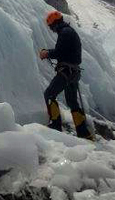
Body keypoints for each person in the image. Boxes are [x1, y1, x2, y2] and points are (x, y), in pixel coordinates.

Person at [39, 10, 94, 140]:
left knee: (49, 94)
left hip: (66, 71)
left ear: (54, 24)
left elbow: (60, 52)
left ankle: (55, 125)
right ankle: (83, 133)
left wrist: (47, 53)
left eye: (51, 27)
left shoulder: (65, 33)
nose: (52, 30)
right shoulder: (69, 31)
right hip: (73, 72)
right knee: (72, 102)